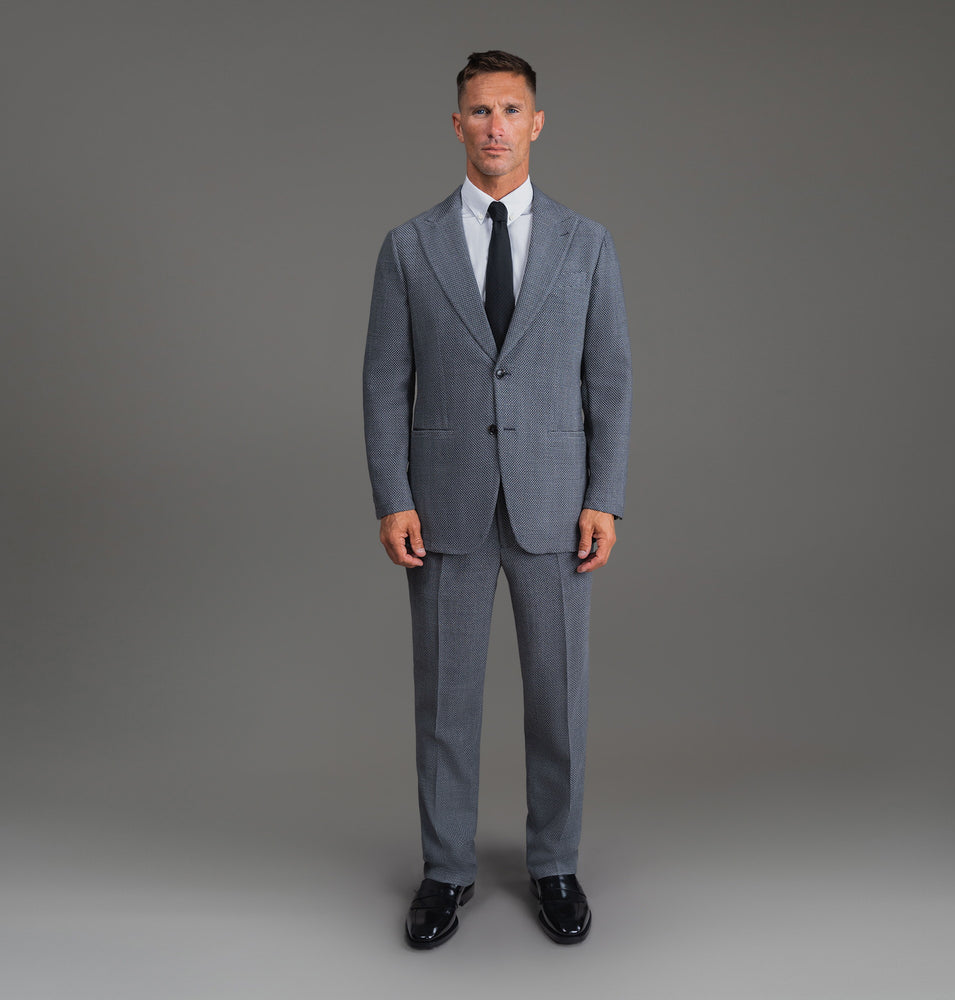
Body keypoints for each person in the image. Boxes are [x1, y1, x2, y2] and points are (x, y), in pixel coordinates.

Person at [363, 50, 631, 948]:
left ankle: (555, 863)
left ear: (536, 122)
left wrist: (607, 495)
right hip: (445, 505)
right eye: (479, 111)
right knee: (445, 702)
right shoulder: (409, 246)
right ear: (456, 125)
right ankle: (445, 872)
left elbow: (612, 384)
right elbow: (382, 382)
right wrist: (392, 496)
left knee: (559, 698)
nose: (495, 127)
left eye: (511, 109)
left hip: (558, 503)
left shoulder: (587, 244)